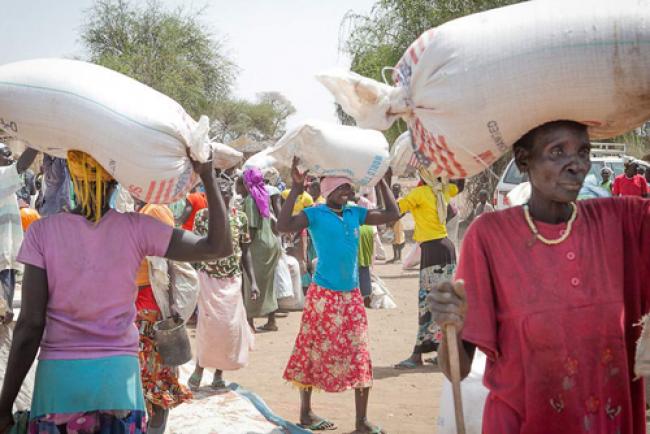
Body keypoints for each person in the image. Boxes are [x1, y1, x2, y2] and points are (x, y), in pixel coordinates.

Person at [430, 120, 650, 434]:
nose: (576, 165)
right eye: (557, 152)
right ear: (523, 160)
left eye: (583, 152)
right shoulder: (490, 236)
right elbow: (458, 370)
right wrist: (452, 323)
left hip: (607, 423)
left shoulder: (621, 222)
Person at [0, 150, 233, 433]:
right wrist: (207, 175)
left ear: (71, 176)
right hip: (118, 381)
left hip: (59, 382)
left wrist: (4, 406)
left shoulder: (42, 232)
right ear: (115, 179)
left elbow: (30, 324)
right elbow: (217, 247)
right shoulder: (137, 228)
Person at [278, 158, 399, 433]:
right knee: (312, 348)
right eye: (341, 188)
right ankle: (306, 413)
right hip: (323, 297)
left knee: (359, 351)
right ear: (327, 189)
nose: (347, 192)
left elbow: (392, 214)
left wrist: (381, 181)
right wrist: (296, 189)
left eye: (349, 187)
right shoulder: (315, 214)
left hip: (352, 296)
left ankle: (361, 421)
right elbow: (282, 226)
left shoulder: (356, 213)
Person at [188, 177, 259, 391]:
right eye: (218, 196)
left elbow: (245, 251)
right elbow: (194, 248)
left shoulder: (240, 219)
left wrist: (253, 281)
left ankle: (219, 373)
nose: (223, 200)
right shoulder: (202, 217)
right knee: (208, 326)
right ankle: (200, 368)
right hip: (208, 278)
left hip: (232, 280)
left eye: (227, 196)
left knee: (228, 329)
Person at [132, 199, 193, 433]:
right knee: (145, 381)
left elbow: (171, 258)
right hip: (136, 309)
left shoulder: (154, 211)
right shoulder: (143, 211)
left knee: (155, 384)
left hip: (148, 311)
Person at [394, 168, 464, 369]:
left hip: (433, 250)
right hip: (446, 249)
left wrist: (383, 183)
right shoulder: (442, 190)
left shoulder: (421, 193)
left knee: (428, 303)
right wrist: (458, 163)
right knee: (443, 302)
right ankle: (444, 350)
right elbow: (460, 185)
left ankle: (418, 355)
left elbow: (395, 210)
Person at [239, 170, 282, 332]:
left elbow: (251, 227)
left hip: (258, 245)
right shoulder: (263, 195)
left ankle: (249, 323)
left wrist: (244, 247)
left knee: (250, 282)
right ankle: (271, 321)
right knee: (269, 285)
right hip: (271, 243)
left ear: (246, 183)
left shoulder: (250, 200)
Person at [0, 145, 38, 324]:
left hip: (6, 259)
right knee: (4, 314)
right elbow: (21, 165)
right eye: (6, 155)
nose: (11, 158)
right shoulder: (2, 176)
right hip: (2, 262)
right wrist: (36, 143)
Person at [387, 183, 405, 263]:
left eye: (397, 190)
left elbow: (403, 212)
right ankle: (395, 257)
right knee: (393, 239)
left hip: (398, 222)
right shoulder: (391, 199)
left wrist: (395, 219)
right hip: (391, 221)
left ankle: (399, 258)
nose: (395, 191)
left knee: (399, 240)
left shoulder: (401, 200)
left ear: (400, 190)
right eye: (394, 190)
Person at [358, 223, 374, 307]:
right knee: (365, 279)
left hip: (355, 259)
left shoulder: (353, 227)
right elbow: (372, 246)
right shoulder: (369, 228)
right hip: (366, 257)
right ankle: (367, 300)